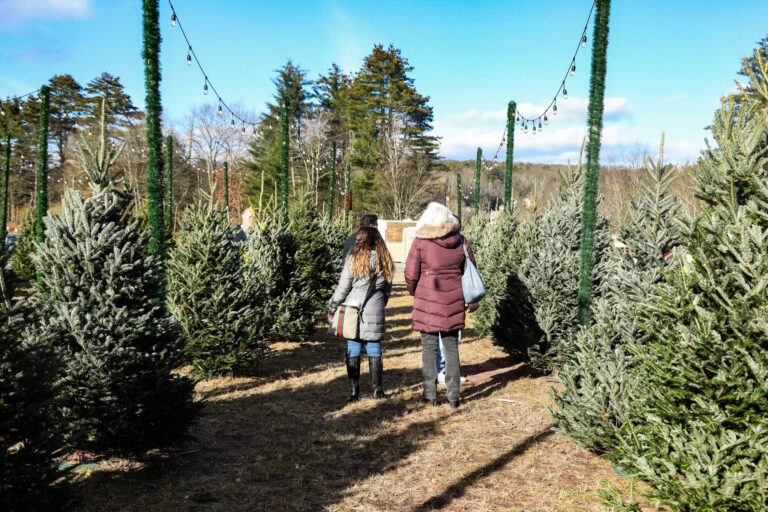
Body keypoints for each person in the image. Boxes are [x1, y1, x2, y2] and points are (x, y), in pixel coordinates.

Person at [405, 202, 475, 409]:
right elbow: (470, 269)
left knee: (429, 347)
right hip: (453, 300)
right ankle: (454, 395)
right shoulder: (461, 241)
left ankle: (430, 395)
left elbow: (410, 274)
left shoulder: (420, 242)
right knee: (451, 347)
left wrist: (415, 292)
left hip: (427, 300)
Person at [329, 225, 394, 401]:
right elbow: (387, 288)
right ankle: (377, 391)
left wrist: (333, 305)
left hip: (353, 307)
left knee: (353, 346)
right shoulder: (385, 259)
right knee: (374, 346)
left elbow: (343, 287)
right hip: (376, 305)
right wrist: (381, 303)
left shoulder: (353, 258)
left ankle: (354, 392)